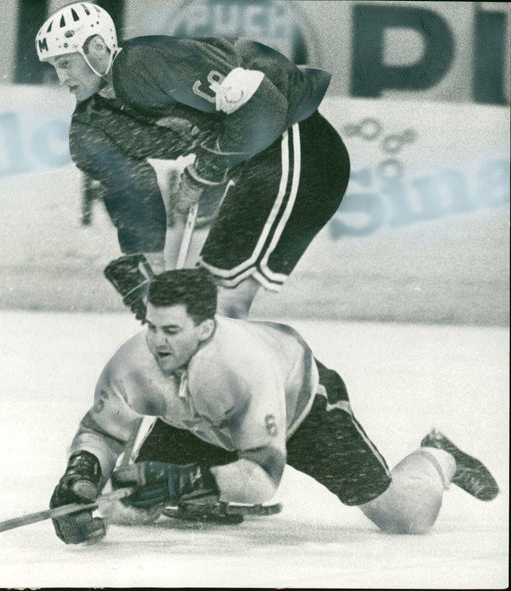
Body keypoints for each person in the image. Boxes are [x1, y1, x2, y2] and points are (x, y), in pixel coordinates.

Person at [48, 268, 499, 544]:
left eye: (171, 330)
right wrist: (80, 477)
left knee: (405, 518)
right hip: (201, 423)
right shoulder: (134, 362)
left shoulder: (245, 366)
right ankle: (206, 493)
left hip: (301, 412)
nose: (156, 342)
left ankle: (440, 456)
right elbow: (103, 433)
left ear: (205, 329)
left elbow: (263, 477)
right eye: (152, 327)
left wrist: (188, 480)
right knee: (129, 505)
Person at [35, 3, 350, 320]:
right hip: (266, 166)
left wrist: (200, 176)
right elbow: (129, 186)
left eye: (65, 63)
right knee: (205, 311)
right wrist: (151, 267)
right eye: (55, 67)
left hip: (299, 145)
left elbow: (263, 108)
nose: (61, 78)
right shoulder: (90, 124)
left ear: (97, 48)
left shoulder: (146, 62)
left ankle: (299, 371)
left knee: (218, 307)